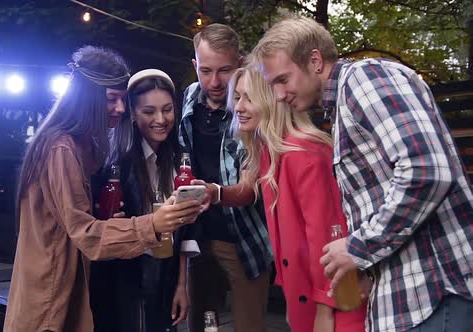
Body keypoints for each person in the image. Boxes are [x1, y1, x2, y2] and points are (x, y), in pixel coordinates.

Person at [252, 15, 473, 332]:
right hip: (414, 300)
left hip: (436, 294)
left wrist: (358, 248)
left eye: (282, 80)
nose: (278, 95)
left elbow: (427, 170)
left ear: (315, 61)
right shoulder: (342, 106)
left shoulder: (363, 78)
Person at [4, 47, 202, 332]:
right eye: (112, 100)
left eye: (122, 100)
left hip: (75, 287)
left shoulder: (86, 146)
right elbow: (86, 233)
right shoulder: (62, 148)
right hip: (52, 294)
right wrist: (152, 224)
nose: (119, 109)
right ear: (88, 98)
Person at [199, 67, 367, 331]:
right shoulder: (269, 154)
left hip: (335, 306)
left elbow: (329, 239)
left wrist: (325, 310)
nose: (238, 107)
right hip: (303, 298)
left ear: (273, 101)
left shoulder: (305, 154)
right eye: (238, 97)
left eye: (249, 98)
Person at [91, 69, 200, 332]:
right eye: (149, 112)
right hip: (125, 282)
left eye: (167, 109)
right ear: (132, 113)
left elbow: (186, 231)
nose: (161, 119)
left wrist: (182, 285)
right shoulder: (115, 165)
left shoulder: (181, 160)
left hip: (167, 275)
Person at [180, 24, 274, 332]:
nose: (215, 82)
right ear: (194, 65)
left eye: (224, 70)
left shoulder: (254, 108)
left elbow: (251, 188)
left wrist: (214, 193)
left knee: (248, 326)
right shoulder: (189, 98)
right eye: (205, 71)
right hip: (196, 237)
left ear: (241, 62)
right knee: (201, 325)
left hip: (243, 240)